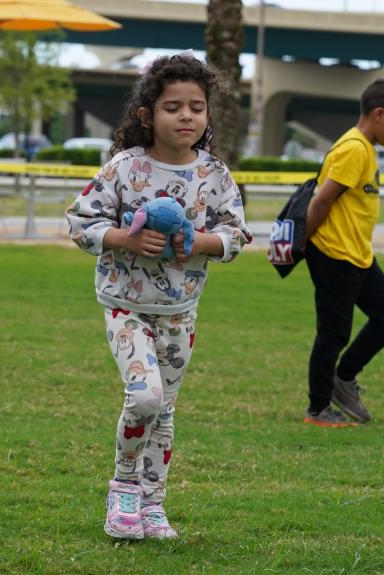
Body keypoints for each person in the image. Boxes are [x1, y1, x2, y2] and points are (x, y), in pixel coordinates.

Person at [65, 53, 252, 540]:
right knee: (145, 395)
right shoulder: (124, 168)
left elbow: (235, 235)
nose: (187, 116)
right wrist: (125, 238)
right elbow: (80, 222)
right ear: (148, 114)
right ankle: (123, 488)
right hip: (125, 304)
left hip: (179, 312)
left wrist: (199, 241)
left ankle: (152, 504)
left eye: (197, 106)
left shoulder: (215, 176)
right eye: (174, 107)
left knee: (164, 409)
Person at [302, 78, 384, 428]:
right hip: (334, 253)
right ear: (379, 114)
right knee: (333, 333)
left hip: (357, 254)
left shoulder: (364, 148)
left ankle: (344, 378)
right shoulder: (353, 148)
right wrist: (302, 243)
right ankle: (318, 409)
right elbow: (322, 200)